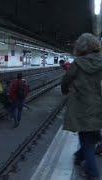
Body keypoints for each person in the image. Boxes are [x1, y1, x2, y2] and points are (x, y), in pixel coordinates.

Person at [61, 33, 102, 180]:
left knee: (86, 139)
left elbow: (66, 80)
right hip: (99, 105)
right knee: (91, 135)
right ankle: (78, 157)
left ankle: (93, 174)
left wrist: (65, 90)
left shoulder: (78, 63)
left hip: (82, 106)